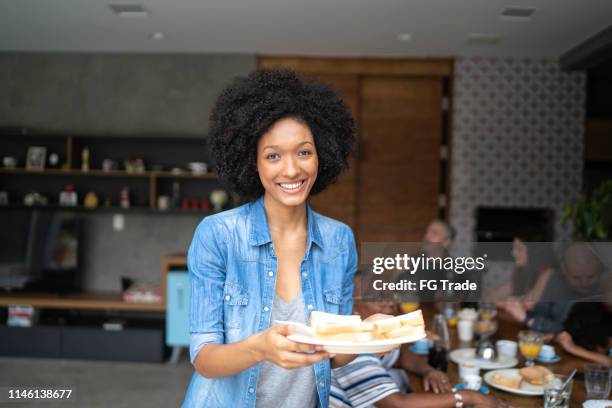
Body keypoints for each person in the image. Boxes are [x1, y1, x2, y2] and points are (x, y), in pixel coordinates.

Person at [182, 69, 358, 408]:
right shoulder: (218, 235)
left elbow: (331, 356)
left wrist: (370, 337)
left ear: (322, 154)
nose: (291, 170)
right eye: (273, 155)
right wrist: (260, 348)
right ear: (254, 162)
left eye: (304, 152)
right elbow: (204, 358)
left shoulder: (339, 241)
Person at [330, 274, 514, 408]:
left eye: (391, 295)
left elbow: (401, 355)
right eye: (379, 297)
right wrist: (468, 397)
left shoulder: (375, 334)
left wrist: (428, 370)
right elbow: (396, 404)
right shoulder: (349, 344)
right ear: (353, 305)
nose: (390, 303)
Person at [502, 242, 604, 333]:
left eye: (591, 277)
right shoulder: (554, 278)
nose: (584, 283)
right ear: (564, 270)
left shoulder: (602, 293)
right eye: (576, 278)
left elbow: (568, 332)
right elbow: (533, 307)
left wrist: (526, 319)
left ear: (599, 268)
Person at [554, 273, 612, 367]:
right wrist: (554, 336)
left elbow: (609, 362)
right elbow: (564, 337)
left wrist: (572, 348)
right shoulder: (585, 306)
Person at [487, 237, 554, 306]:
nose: (513, 253)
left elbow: (528, 304)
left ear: (533, 251)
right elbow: (497, 292)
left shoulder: (548, 273)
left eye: (519, 248)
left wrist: (505, 300)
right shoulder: (521, 271)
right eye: (514, 248)